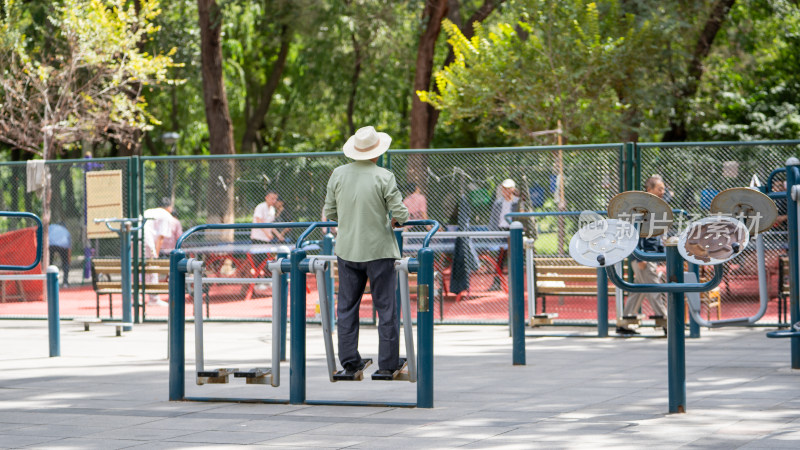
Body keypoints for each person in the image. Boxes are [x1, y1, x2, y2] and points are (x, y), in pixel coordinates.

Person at [323, 125, 409, 379]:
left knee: (347, 306)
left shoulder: (338, 174)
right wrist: (395, 221)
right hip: (380, 249)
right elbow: (400, 213)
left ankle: (350, 361)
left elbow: (330, 212)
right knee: (386, 307)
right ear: (376, 152)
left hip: (347, 249)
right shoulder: (384, 176)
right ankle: (388, 363)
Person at [618, 174, 669, 335]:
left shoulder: (656, 207)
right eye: (659, 189)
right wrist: (640, 256)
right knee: (654, 288)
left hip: (650, 255)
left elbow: (657, 236)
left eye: (663, 189)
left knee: (638, 290)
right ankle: (668, 323)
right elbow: (635, 232)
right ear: (649, 190)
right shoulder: (642, 209)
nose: (662, 192)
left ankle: (624, 323)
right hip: (644, 256)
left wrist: (663, 254)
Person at [487, 179, 519, 290]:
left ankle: (515, 283)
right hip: (501, 231)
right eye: (504, 188)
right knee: (500, 257)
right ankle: (496, 283)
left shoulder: (518, 202)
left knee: (514, 257)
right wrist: (492, 232)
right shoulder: (498, 202)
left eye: (508, 188)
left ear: (513, 189)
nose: (505, 191)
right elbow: (493, 218)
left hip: (513, 231)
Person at [143, 198, 174, 306]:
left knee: (137, 267)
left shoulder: (151, 211)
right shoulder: (166, 215)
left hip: (134, 236)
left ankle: (135, 298)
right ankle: (154, 299)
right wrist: (155, 255)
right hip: (146, 239)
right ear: (169, 207)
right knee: (153, 267)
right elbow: (161, 237)